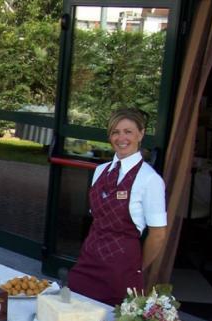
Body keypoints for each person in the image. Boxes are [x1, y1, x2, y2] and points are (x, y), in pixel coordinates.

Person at [68, 108, 168, 306]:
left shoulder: (150, 180)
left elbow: (158, 235)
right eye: (115, 132)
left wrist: (136, 267)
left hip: (121, 272)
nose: (121, 137)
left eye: (128, 131)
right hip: (88, 263)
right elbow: (97, 220)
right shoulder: (100, 171)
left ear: (140, 134)